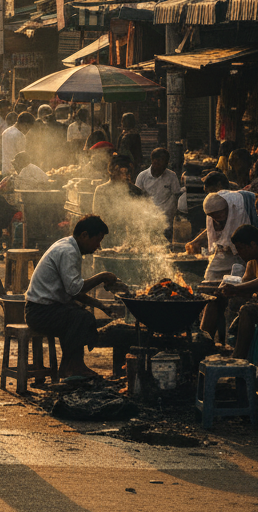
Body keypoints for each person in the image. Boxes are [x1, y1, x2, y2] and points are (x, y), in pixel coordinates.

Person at [25, 215, 123, 380]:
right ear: (84, 235)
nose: (98, 247)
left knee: (78, 313)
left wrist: (100, 305)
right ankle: (73, 367)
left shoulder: (69, 245)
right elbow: (74, 289)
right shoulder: (68, 251)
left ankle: (71, 365)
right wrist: (102, 276)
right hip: (39, 313)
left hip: (46, 309)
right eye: (97, 240)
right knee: (81, 318)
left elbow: (73, 291)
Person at [198, 224, 258, 352]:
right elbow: (245, 287)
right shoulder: (252, 261)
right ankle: (204, 346)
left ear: (253, 245)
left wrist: (235, 289)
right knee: (215, 299)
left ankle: (238, 357)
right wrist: (225, 292)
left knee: (247, 311)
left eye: (241, 248)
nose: (238, 253)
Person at [185, 192, 248, 281]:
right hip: (219, 257)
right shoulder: (214, 219)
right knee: (209, 280)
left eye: (217, 214)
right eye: (211, 215)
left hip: (237, 258)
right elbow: (211, 230)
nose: (214, 218)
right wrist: (195, 242)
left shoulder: (239, 216)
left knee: (234, 283)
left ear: (225, 209)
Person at [134, 147, 183, 242]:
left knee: (165, 245)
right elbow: (137, 196)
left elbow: (176, 195)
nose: (161, 166)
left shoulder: (172, 176)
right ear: (152, 161)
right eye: (158, 162)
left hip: (166, 219)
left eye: (164, 163)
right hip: (147, 218)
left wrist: (174, 213)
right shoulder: (142, 176)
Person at [117, 113, 143, 178]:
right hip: (134, 164)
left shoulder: (127, 136)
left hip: (126, 164)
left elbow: (124, 152)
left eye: (123, 121)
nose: (121, 123)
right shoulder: (135, 134)